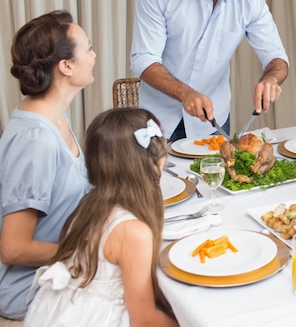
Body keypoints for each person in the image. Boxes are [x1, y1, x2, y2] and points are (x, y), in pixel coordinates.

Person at [130, 0, 289, 141]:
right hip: (159, 122)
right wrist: (186, 93)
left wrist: (270, 79)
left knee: (216, 177)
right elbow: (143, 59)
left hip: (214, 123)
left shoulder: (250, 0)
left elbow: (277, 59)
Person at [23, 108, 179, 326]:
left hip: (64, 310)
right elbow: (144, 320)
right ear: (153, 162)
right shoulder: (132, 231)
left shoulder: (89, 204)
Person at [0, 10, 95, 320]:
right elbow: (13, 249)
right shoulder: (36, 139)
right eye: (89, 48)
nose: (94, 55)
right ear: (66, 66)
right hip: (28, 286)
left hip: (61, 264)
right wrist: (90, 252)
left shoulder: (53, 116)